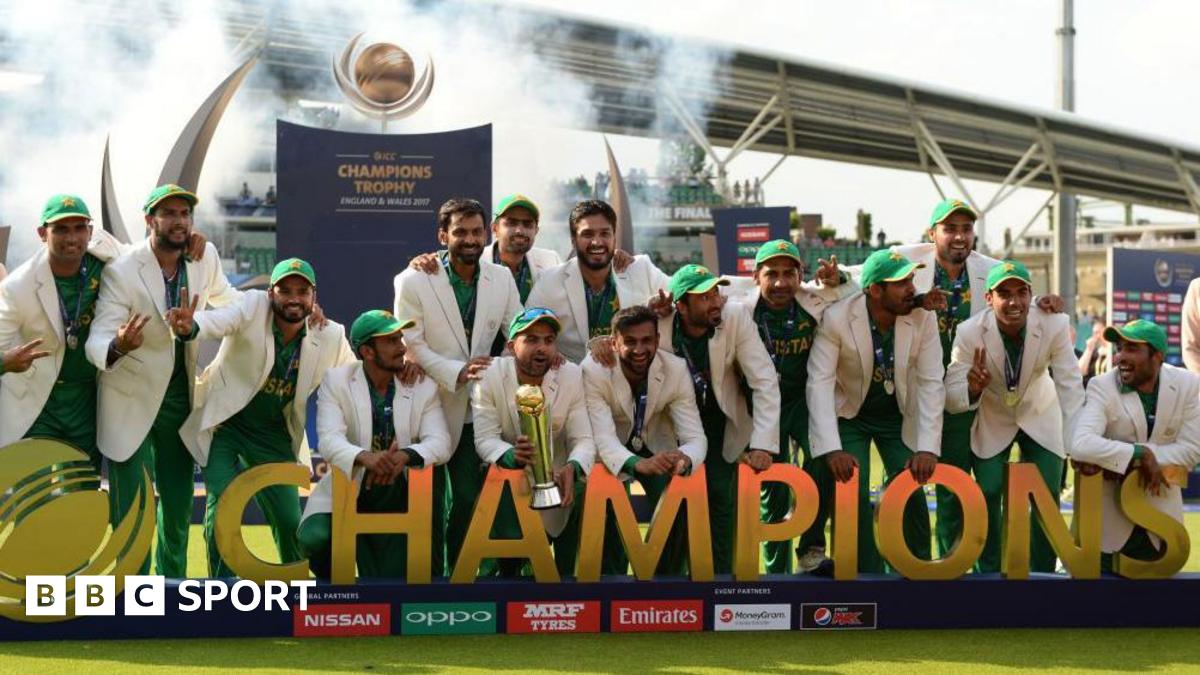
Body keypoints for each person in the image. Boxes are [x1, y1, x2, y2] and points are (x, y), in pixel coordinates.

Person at [846, 197, 1063, 559]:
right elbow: (863, 273)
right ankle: (948, 565)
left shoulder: (986, 267)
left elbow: (1014, 290)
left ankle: (988, 571)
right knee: (948, 487)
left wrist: (1045, 300)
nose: (960, 237)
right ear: (932, 234)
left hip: (982, 395)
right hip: (927, 395)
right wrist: (834, 277)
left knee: (986, 490)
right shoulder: (909, 262)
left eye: (966, 229)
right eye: (950, 229)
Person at [86, 184, 241, 577]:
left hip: (178, 400)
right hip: (129, 397)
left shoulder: (204, 258)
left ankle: (171, 586)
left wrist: (279, 301)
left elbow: (232, 302)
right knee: (132, 509)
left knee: (176, 504)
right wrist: (118, 345)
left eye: (185, 214)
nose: (179, 221)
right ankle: (132, 591)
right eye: (169, 213)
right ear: (149, 221)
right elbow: (97, 339)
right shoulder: (123, 268)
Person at [170, 258, 354, 577]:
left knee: (288, 519)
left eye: (302, 291)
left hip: (274, 435)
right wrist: (192, 327)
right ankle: (221, 589)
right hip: (227, 426)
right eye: (285, 290)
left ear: (314, 297)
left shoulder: (330, 334)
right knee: (223, 504)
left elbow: (355, 377)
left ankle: (294, 586)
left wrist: (404, 367)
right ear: (271, 293)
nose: (293, 298)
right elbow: (220, 321)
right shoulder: (252, 306)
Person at [393, 198, 523, 575]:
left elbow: (516, 331)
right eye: (460, 232)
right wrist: (457, 370)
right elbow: (410, 343)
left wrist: (502, 362)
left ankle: (458, 576)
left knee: (467, 497)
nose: (469, 239)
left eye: (476, 232)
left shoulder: (501, 278)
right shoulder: (413, 280)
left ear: (486, 235)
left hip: (476, 407)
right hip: (426, 401)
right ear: (442, 235)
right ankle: (427, 579)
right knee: (426, 503)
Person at [721, 240, 855, 574]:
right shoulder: (739, 310)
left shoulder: (815, 300)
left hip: (801, 401)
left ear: (801, 275)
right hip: (758, 406)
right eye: (772, 274)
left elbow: (859, 292)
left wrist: (840, 279)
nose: (781, 282)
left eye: (789, 273)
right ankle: (774, 566)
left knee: (824, 458)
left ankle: (811, 549)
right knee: (772, 484)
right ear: (756, 277)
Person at [807, 248, 944, 574]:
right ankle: (862, 578)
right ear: (875, 290)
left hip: (897, 415)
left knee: (911, 485)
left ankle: (919, 573)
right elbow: (819, 383)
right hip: (851, 416)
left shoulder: (922, 316)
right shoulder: (838, 317)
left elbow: (930, 383)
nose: (911, 288)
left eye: (911, 279)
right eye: (900, 282)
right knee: (851, 485)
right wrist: (832, 448)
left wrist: (927, 447)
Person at [945, 260, 1084, 573]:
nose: (1014, 301)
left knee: (1046, 493)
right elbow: (952, 397)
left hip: (1040, 410)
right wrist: (972, 388)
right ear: (988, 298)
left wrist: (1078, 444)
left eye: (1021, 292)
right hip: (993, 415)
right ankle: (989, 572)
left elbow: (1070, 386)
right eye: (1004, 293)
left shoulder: (1054, 323)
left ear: (1031, 295)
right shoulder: (969, 333)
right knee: (989, 490)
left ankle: (1043, 574)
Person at [297, 310, 452, 579]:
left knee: (390, 582)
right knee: (313, 539)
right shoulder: (337, 381)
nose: (401, 346)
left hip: (399, 489)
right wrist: (366, 458)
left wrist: (403, 456)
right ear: (367, 351)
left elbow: (441, 444)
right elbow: (329, 440)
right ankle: (337, 591)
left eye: (399, 338)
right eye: (390, 341)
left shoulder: (421, 384)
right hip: (352, 482)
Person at [654, 264, 780, 574]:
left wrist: (763, 443)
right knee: (674, 504)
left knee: (721, 500)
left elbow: (763, 379)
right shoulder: (659, 323)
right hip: (670, 426)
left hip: (719, 421)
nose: (715, 302)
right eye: (704, 297)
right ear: (680, 305)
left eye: (715, 292)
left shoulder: (734, 316)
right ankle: (662, 587)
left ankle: (721, 582)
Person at [0, 194, 123, 471]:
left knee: (82, 498)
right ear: (43, 233)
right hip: (37, 404)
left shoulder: (107, 260)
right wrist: (5, 362)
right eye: (61, 229)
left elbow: (149, 257)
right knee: (35, 500)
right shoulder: (18, 287)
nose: (72, 238)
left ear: (90, 231)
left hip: (87, 401)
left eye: (79, 228)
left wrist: (190, 243)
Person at [471, 307, 594, 577]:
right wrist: (512, 455)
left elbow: (583, 438)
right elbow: (485, 439)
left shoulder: (570, 375)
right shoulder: (489, 375)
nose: (542, 349)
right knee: (508, 575)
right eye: (532, 340)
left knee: (568, 572)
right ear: (511, 345)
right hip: (507, 488)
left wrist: (573, 467)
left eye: (549, 341)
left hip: (560, 486)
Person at [583, 305, 706, 575]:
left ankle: (665, 583)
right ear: (614, 342)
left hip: (657, 444)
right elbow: (602, 438)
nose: (639, 349)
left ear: (658, 341)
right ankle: (611, 586)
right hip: (611, 450)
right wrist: (638, 464)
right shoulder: (593, 370)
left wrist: (685, 457)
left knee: (680, 500)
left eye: (647, 340)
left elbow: (695, 436)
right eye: (630, 341)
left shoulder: (675, 369)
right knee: (606, 510)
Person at [1071, 319, 1200, 573]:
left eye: (1132, 349)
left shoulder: (1189, 385)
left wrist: (1124, 456)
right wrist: (1139, 453)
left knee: (1157, 611)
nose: (1120, 357)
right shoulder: (1102, 385)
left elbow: (1192, 450)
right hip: (1106, 529)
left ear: (1158, 357)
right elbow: (1081, 444)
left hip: (1161, 526)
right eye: (1119, 348)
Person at [526, 200, 671, 363]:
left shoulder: (640, 269)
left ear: (614, 237)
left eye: (605, 233)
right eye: (588, 234)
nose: (597, 242)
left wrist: (665, 306)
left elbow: (679, 294)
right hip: (575, 380)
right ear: (573, 240)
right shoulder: (549, 281)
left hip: (634, 377)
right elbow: (525, 334)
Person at [407, 193, 562, 304]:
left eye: (527, 224)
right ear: (494, 229)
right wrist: (418, 263)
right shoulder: (471, 259)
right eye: (511, 223)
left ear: (536, 230)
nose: (519, 230)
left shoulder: (551, 261)